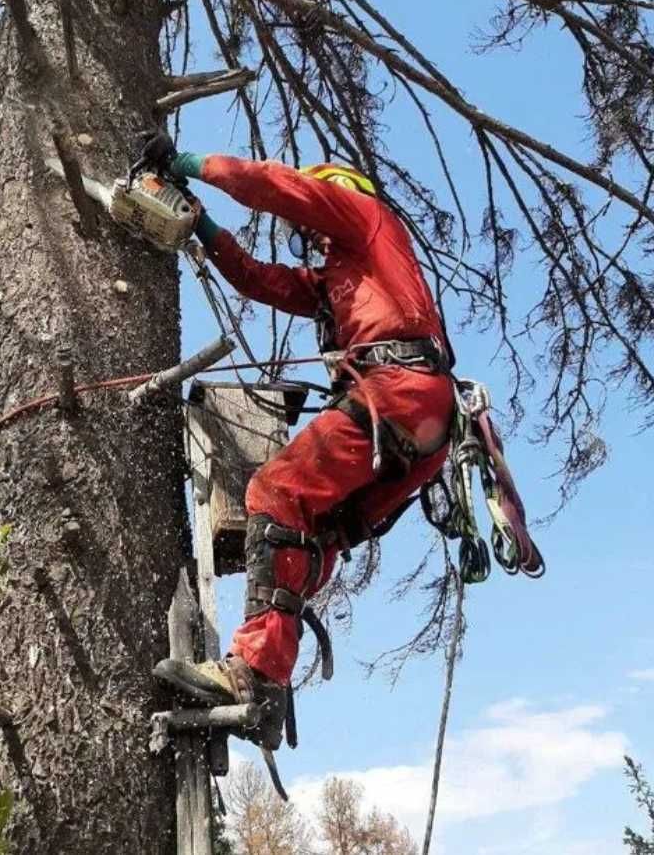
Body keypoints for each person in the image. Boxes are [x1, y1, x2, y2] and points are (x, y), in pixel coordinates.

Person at [143, 134, 455, 749]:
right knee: (311, 533)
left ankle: (254, 671)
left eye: (310, 228)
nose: (308, 239)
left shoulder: (364, 221)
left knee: (275, 490)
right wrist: (199, 222)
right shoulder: (334, 281)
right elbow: (257, 279)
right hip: (417, 421)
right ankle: (266, 686)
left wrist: (190, 164)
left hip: (398, 391)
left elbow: (278, 187)